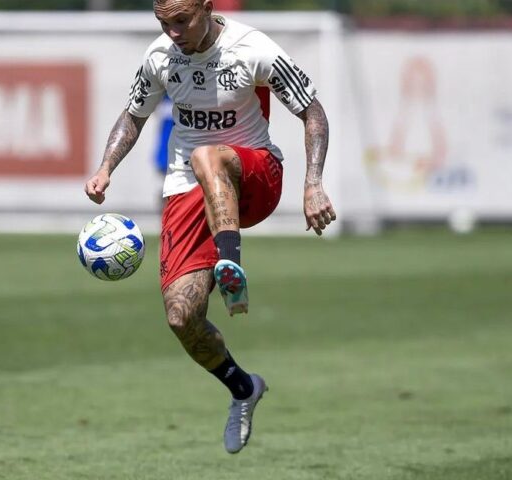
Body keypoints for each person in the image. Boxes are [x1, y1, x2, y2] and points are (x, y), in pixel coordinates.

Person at [84, 0, 336, 454]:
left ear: (206, 7)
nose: (173, 32)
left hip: (255, 173)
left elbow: (312, 111)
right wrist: (106, 167)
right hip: (188, 188)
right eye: (164, 23)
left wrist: (313, 182)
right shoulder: (160, 56)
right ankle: (243, 388)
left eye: (182, 21)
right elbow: (134, 114)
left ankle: (229, 266)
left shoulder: (252, 48)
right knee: (182, 316)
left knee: (207, 154)